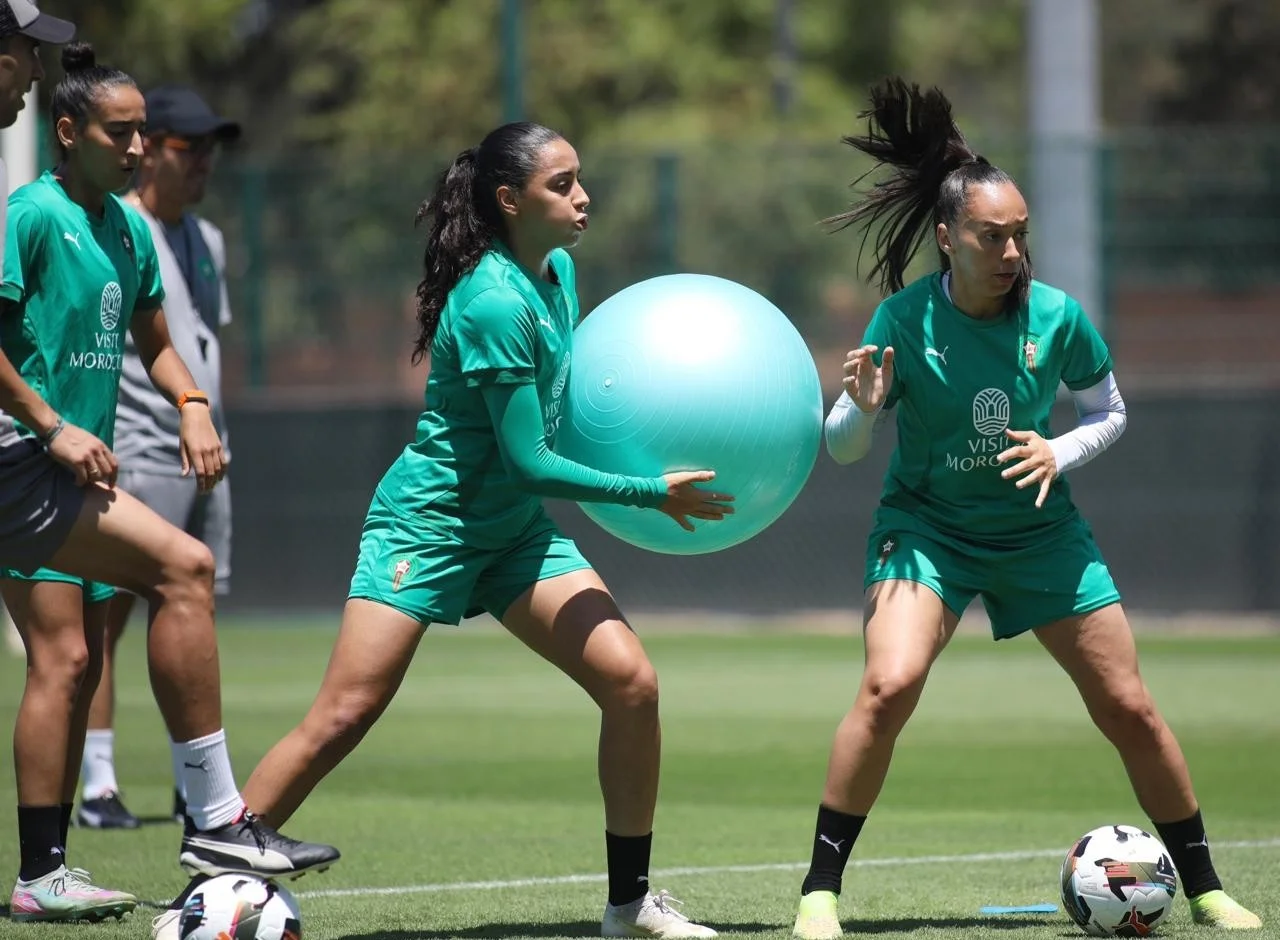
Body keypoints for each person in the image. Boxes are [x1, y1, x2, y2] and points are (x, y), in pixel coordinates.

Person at [152, 120, 733, 940]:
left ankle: (630, 905)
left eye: (579, 178)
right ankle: (201, 890)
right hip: (428, 527)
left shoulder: (558, 273)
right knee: (344, 713)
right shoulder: (493, 301)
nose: (583, 197)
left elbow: (556, 419)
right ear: (509, 200)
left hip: (513, 535)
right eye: (562, 184)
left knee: (632, 684)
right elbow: (529, 461)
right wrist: (647, 492)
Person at [790, 78, 1261, 939]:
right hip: (927, 531)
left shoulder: (1057, 317)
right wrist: (858, 407)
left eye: (1020, 234)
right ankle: (820, 892)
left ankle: (1205, 889)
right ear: (947, 238)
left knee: (1129, 707)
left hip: (1040, 532)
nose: (1012, 251)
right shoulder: (902, 319)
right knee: (888, 687)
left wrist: (1058, 451)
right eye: (992, 235)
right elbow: (843, 448)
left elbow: (1109, 412)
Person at [0, 41, 338, 923]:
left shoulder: (123, 228)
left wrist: (191, 402)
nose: (137, 148)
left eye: (142, 132)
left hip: (65, 466)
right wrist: (53, 427)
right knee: (183, 569)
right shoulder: (31, 214)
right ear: (66, 132)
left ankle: (42, 874)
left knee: (67, 661)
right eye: (119, 132)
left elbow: (156, 340)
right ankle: (218, 818)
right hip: (19, 461)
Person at [75, 85, 241, 832]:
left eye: (210, 150)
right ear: (147, 151)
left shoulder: (208, 240)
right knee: (105, 618)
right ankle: (98, 784)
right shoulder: (119, 228)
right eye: (188, 147)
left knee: (192, 610)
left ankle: (191, 785)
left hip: (209, 449)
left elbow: (203, 344)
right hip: (142, 446)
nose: (202, 162)